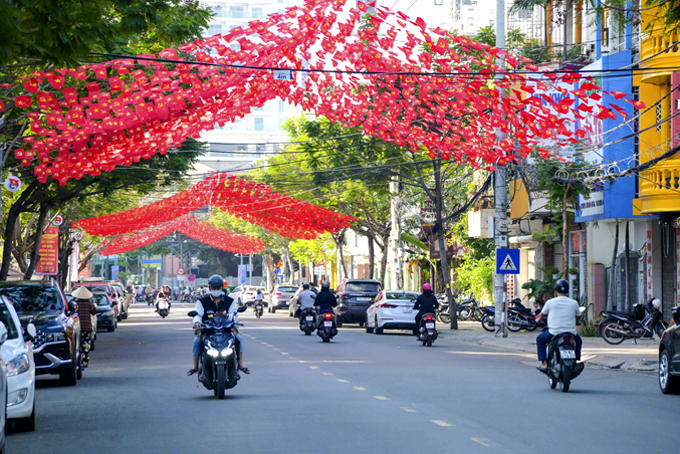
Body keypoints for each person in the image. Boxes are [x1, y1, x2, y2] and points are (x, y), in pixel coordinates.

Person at [188, 274, 249, 378]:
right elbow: (197, 315)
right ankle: (196, 367)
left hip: (226, 330)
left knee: (238, 338)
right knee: (197, 341)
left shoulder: (230, 302)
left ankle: (239, 364)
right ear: (209, 288)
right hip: (207, 330)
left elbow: (235, 317)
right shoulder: (202, 302)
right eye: (213, 288)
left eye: (218, 288)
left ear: (222, 287)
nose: (216, 290)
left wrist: (226, 316)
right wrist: (197, 323)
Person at [535, 279, 583, 372]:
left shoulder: (550, 302)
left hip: (554, 333)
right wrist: (576, 322)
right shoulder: (574, 303)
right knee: (579, 341)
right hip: (570, 333)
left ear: (556, 292)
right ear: (567, 291)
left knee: (540, 340)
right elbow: (578, 316)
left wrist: (538, 320)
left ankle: (544, 364)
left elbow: (542, 314)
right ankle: (574, 361)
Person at [72, 286, 97, 370]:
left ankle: (76, 363)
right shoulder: (89, 304)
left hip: (76, 328)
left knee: (75, 347)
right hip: (87, 328)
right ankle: (84, 364)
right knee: (86, 347)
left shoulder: (74, 303)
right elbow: (94, 312)